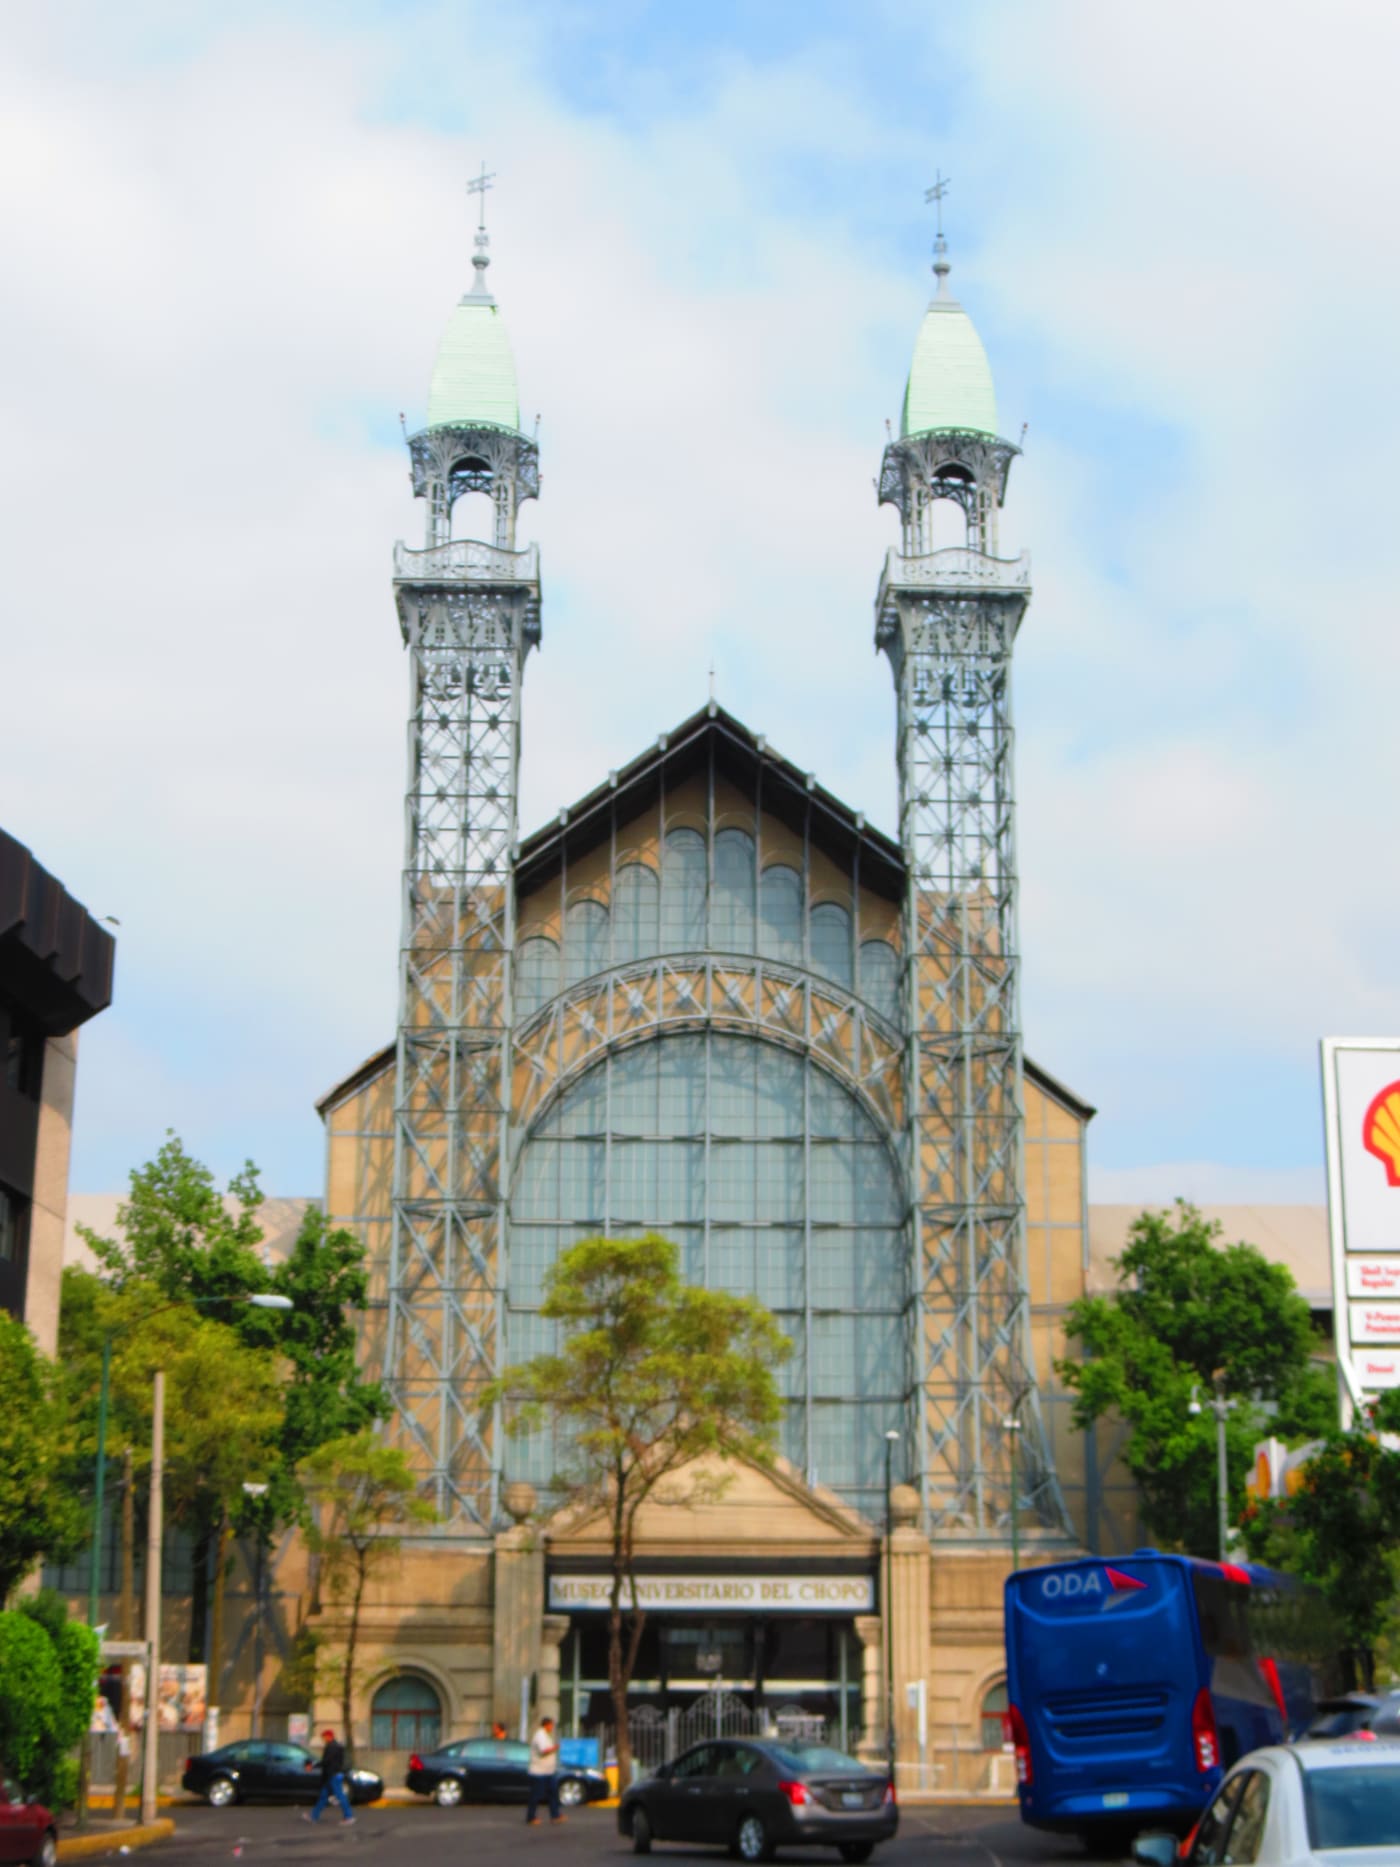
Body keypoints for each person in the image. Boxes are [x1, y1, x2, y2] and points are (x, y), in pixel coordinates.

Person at [303, 1728, 355, 1825]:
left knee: (340, 1796)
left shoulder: (332, 1747)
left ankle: (349, 1817)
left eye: (324, 1737)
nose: (323, 1739)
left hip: (332, 1775)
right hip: (332, 1775)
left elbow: (326, 1761)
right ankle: (314, 1816)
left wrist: (313, 1766)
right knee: (323, 1796)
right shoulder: (336, 1746)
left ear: (329, 1736)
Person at [525, 1716, 563, 1825]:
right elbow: (543, 1751)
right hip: (538, 1772)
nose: (552, 1727)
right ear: (546, 1725)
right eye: (551, 1725)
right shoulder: (540, 1735)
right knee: (536, 1795)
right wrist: (555, 1748)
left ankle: (555, 1815)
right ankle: (530, 1817)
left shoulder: (546, 1735)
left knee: (553, 1793)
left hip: (548, 1771)